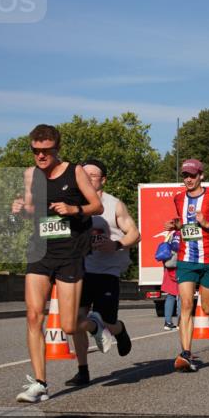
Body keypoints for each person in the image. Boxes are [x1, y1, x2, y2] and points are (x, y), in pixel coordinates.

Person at [11, 124, 104, 403]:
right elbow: (31, 210)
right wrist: (20, 210)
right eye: (35, 151)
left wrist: (74, 209)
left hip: (70, 253)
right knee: (33, 316)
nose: (40, 156)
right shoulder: (31, 175)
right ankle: (40, 383)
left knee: (68, 326)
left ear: (56, 149)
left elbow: (96, 206)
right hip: (40, 251)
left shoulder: (75, 171)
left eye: (46, 151)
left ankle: (94, 325)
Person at [66, 159, 140, 386]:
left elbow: (135, 234)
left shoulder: (114, 204)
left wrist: (116, 245)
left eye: (93, 175)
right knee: (76, 321)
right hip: (81, 270)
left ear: (103, 180)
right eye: (83, 174)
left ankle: (119, 329)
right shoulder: (73, 205)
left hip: (107, 271)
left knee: (106, 321)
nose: (87, 178)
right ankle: (83, 370)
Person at [163, 159, 209, 372]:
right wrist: (175, 224)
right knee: (185, 304)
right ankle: (186, 353)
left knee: (206, 306)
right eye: (185, 175)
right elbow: (185, 224)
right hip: (186, 260)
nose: (188, 179)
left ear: (201, 176)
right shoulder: (178, 199)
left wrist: (208, 225)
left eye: (192, 175)